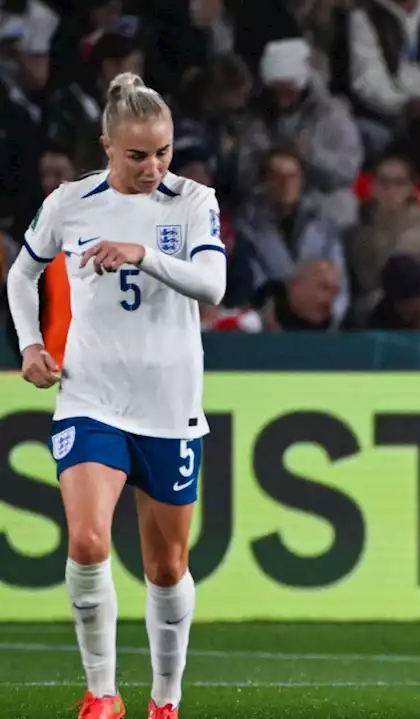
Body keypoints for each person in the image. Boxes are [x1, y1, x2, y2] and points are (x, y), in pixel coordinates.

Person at [5, 72, 227, 719]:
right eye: (138, 155)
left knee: (166, 566)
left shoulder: (193, 201)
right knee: (87, 542)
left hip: (170, 403)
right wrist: (28, 344)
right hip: (90, 395)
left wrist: (143, 255)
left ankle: (166, 698)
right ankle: (102, 692)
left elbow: (212, 284)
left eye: (163, 151)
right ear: (107, 145)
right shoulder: (70, 202)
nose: (154, 166)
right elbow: (23, 275)